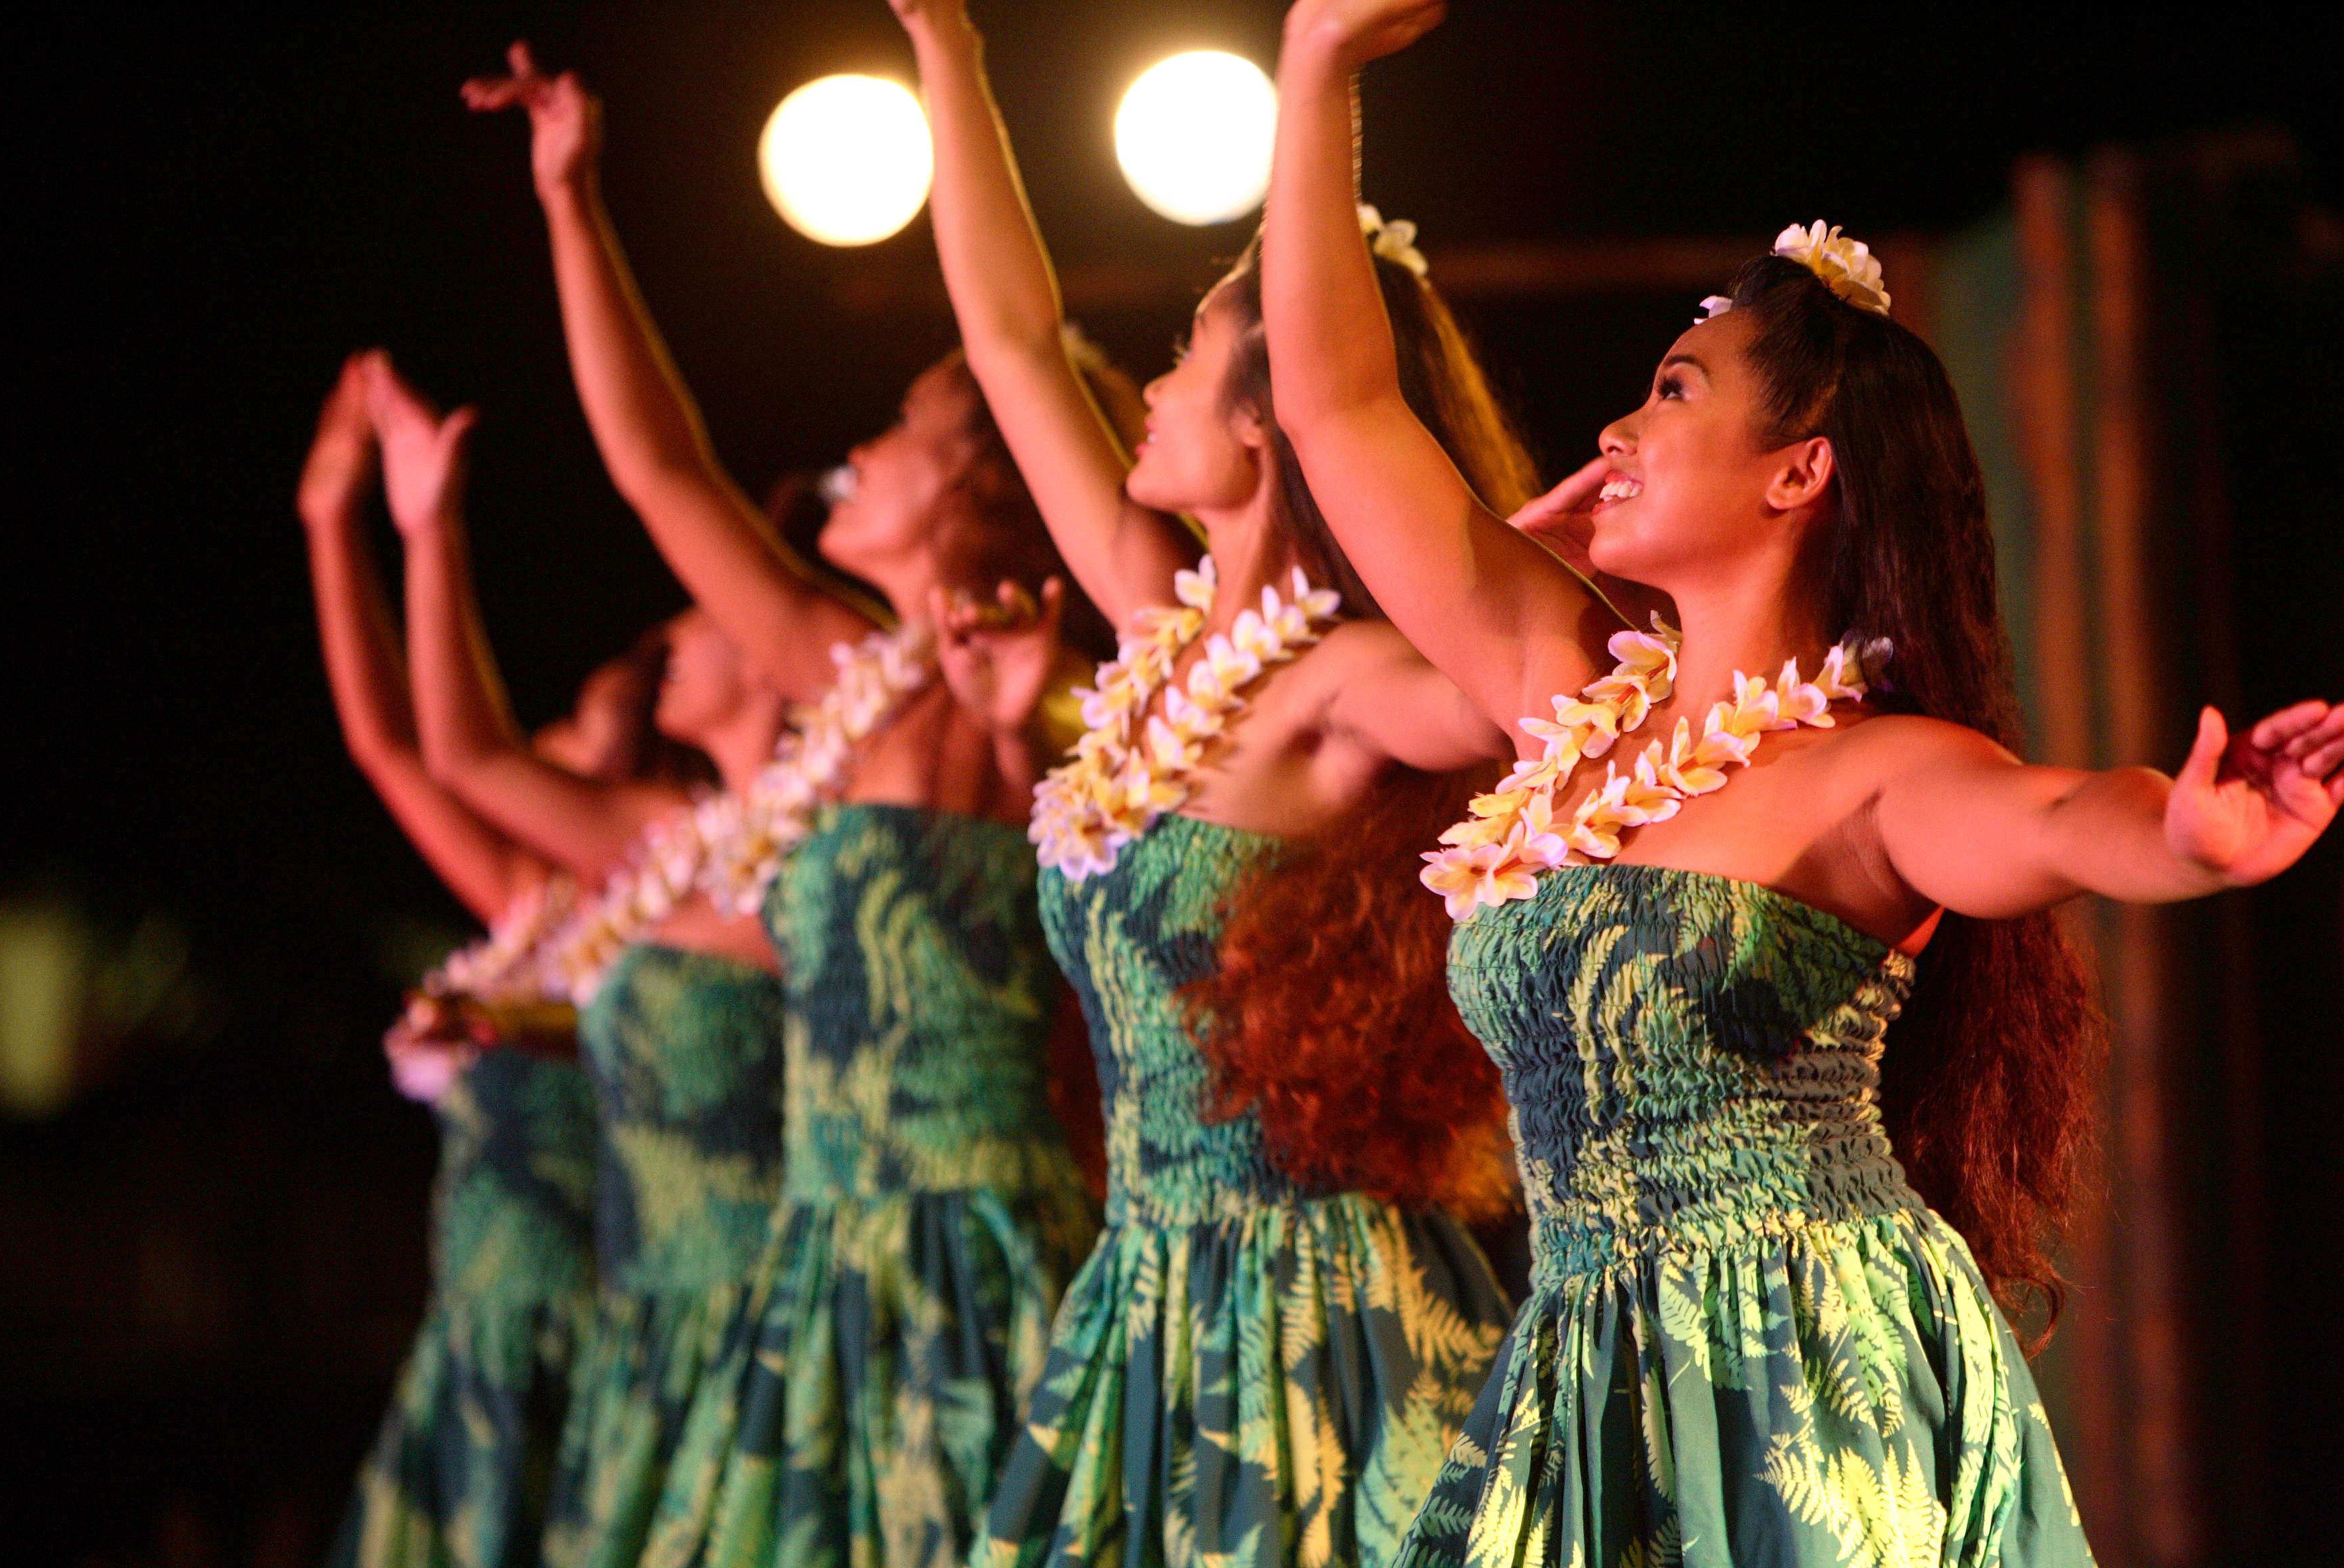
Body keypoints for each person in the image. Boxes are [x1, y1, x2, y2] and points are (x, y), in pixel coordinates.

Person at [1261, 4, 2344, 1562]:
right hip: (1582, 1370)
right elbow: (1339, 411)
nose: (1618, 428)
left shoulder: (1871, 774)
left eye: (1675, 390)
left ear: (1801, 467)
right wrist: (1316, 70)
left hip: (1802, 1376)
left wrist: (2187, 834)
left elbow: (2053, 818)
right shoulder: (1564, 696)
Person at [887, 7, 1550, 1567]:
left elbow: (1512, 695)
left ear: (1267, 412)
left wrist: (1521, 575)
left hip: (1317, 1320)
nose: (1151, 387)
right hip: (1143, 1299)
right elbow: (1012, 343)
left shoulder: (1342, 683)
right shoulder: (1162, 640)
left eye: (1186, 355)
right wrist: (947, 49)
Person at [464, 42, 1121, 1568]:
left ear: (977, 479)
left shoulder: (1024, 686)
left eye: (900, 426)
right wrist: (571, 200)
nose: (857, 453)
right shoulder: (855, 679)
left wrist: (951, 53)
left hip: (965, 1238)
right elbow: (658, 468)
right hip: (822, 1246)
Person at [364, 350, 797, 1568]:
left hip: (762, 1303)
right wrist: (424, 530)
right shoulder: (664, 855)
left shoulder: (809, 848)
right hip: (642, 1318)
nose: (673, 635)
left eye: (701, 613)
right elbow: (454, 756)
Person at [301, 352, 618, 1568]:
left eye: (576, 733)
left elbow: (437, 747)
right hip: (475, 1332)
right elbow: (388, 745)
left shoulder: (647, 926)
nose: (538, 745)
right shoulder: (537, 911)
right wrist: (330, 521)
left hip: (583, 1335)